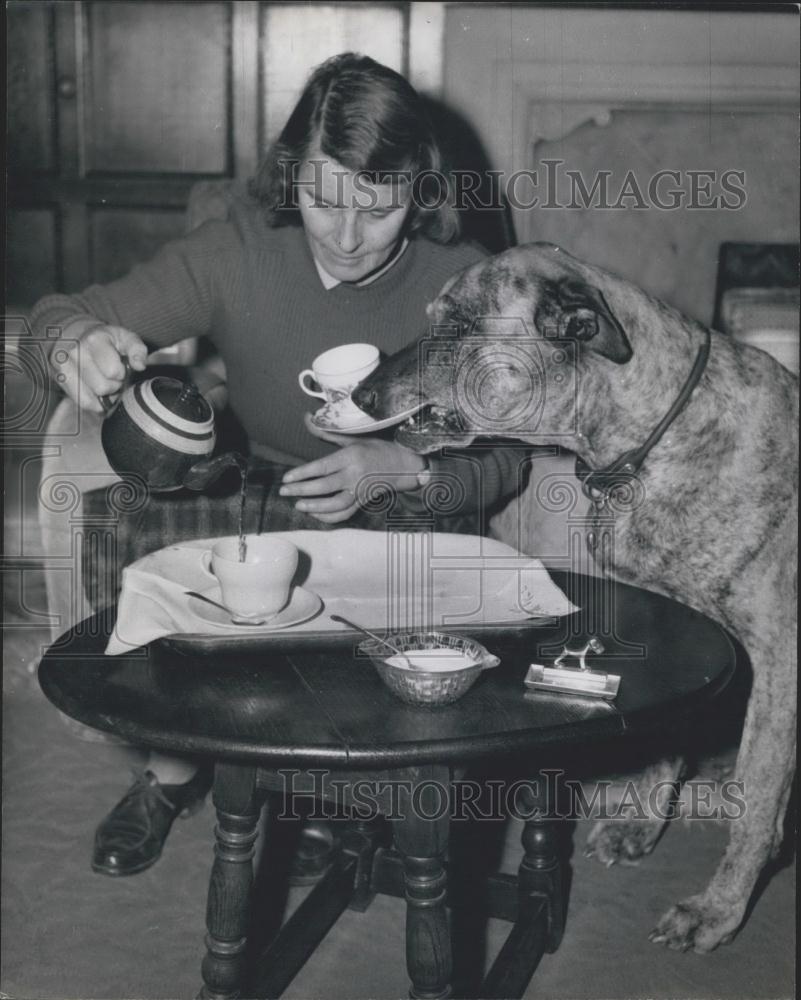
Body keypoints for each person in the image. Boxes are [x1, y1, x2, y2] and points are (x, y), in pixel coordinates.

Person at [32, 53, 524, 878]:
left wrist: (399, 465)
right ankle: (173, 773)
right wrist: (73, 344)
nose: (344, 235)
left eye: (377, 207)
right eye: (323, 198)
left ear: (420, 190)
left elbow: (508, 457)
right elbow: (60, 315)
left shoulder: (462, 284)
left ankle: (331, 797)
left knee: (398, 583)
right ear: (292, 172)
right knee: (141, 524)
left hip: (401, 505)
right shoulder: (235, 254)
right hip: (260, 489)